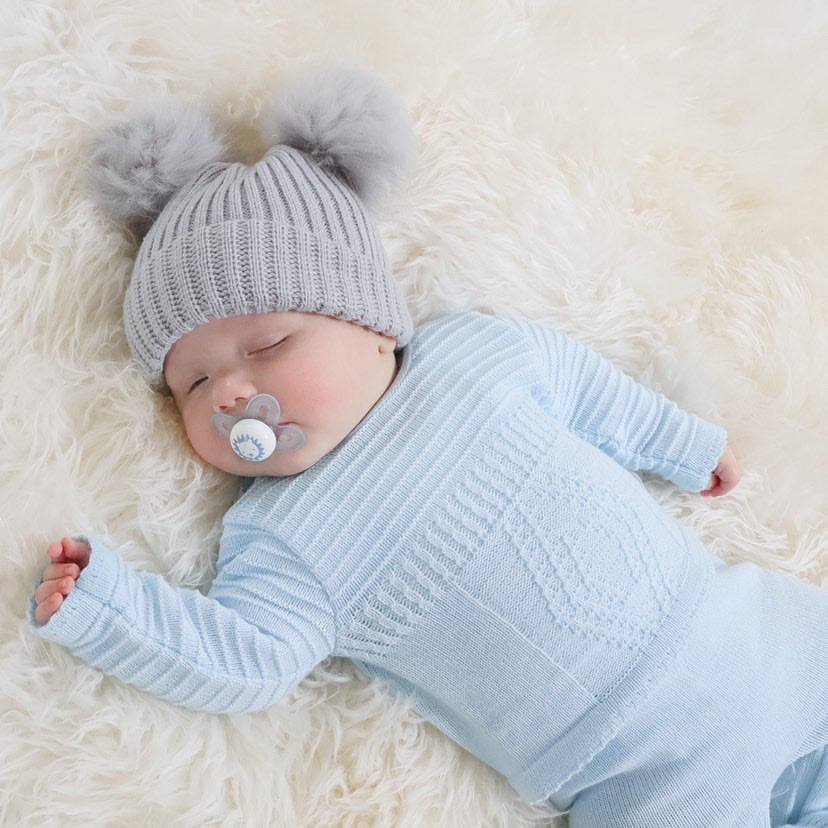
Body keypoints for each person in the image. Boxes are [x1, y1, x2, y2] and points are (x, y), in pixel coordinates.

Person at [31, 67, 827, 826]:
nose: (232, 392)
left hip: (758, 630)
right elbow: (245, 658)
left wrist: (680, 442)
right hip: (643, 764)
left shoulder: (469, 355)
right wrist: (110, 609)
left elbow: (583, 385)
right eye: (194, 386)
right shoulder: (282, 539)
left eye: (269, 343)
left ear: (374, 325)